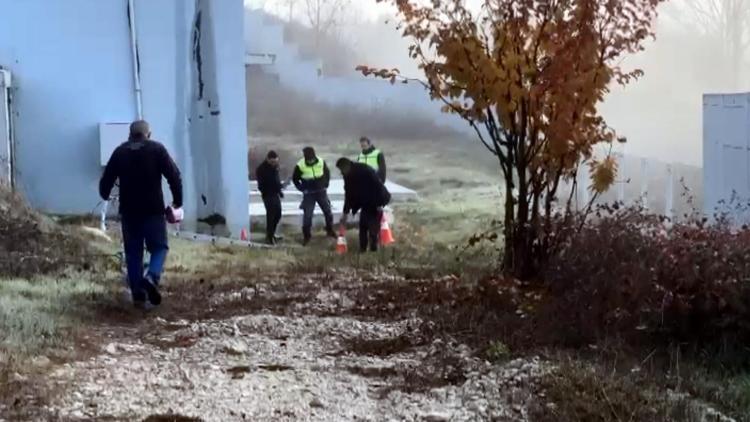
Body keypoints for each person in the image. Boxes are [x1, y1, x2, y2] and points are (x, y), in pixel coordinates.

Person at [99, 120, 182, 309]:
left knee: (133, 251)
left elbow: (107, 180)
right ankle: (151, 277)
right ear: (148, 134)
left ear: (130, 134)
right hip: (153, 210)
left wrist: (104, 193)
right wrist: (178, 200)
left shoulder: (120, 152)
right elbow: (174, 175)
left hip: (129, 211)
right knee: (159, 247)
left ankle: (137, 293)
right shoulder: (157, 150)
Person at [336, 157, 391, 252]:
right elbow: (348, 194)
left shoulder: (365, 170)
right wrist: (345, 212)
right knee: (363, 226)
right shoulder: (348, 175)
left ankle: (373, 249)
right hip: (365, 202)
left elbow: (378, 186)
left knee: (373, 227)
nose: (341, 172)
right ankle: (363, 250)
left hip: (376, 200)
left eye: (342, 169)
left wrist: (379, 204)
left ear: (347, 166)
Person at [292, 146, 336, 245]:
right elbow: (295, 179)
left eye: (312, 159)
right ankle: (307, 236)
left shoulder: (321, 161)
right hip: (309, 194)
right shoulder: (300, 165)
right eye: (309, 159)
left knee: (328, 212)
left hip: (321, 191)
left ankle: (330, 230)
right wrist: (302, 188)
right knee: (308, 215)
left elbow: (327, 172)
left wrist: (326, 183)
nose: (311, 161)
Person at [256, 150, 284, 245]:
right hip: (268, 195)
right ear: (268, 159)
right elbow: (262, 184)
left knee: (278, 214)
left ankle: (272, 233)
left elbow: (276, 180)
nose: (274, 163)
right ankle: (269, 236)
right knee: (271, 215)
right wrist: (270, 190)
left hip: (275, 194)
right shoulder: (261, 169)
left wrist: (280, 191)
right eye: (272, 162)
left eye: (275, 162)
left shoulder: (275, 167)